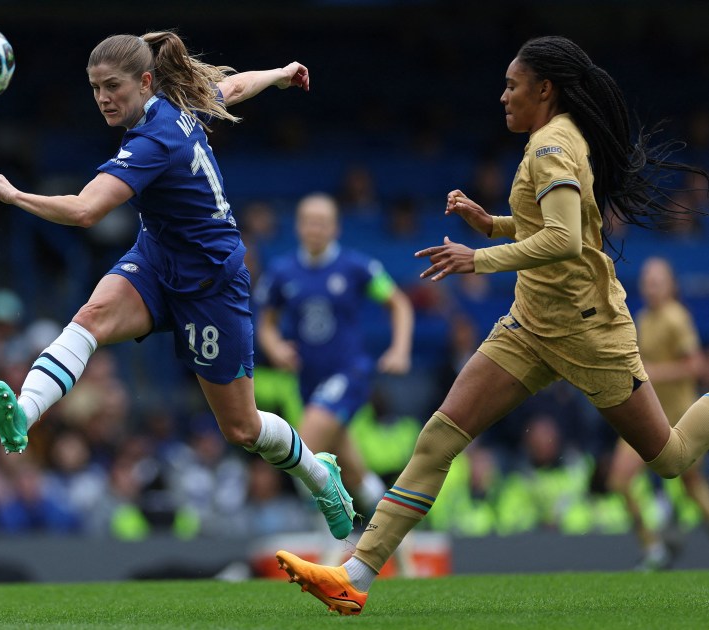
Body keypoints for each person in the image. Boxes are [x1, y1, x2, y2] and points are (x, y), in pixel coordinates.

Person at [275, 35, 709, 615]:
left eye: (512, 85)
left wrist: (474, 259)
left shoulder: (551, 146)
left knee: (672, 460)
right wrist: (493, 225)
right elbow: (555, 222)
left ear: (544, 89)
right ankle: (354, 574)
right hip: (531, 324)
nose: (502, 95)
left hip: (587, 332)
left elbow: (566, 240)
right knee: (439, 437)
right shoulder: (552, 141)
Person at [0, 31, 355, 540]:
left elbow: (87, 210)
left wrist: (15, 194)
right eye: (94, 88)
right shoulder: (179, 103)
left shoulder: (156, 140)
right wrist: (281, 74)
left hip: (211, 284)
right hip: (158, 259)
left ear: (146, 81)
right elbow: (232, 90)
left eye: (113, 86)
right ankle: (24, 412)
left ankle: (319, 474)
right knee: (90, 317)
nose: (103, 98)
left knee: (241, 429)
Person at [255, 192, 414, 519]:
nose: (315, 229)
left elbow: (398, 303)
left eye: (322, 223)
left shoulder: (356, 267)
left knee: (306, 444)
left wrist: (400, 349)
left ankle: (333, 518)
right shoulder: (283, 272)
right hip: (308, 381)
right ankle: (391, 525)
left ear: (335, 228)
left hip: (348, 373)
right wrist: (276, 347)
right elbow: (266, 323)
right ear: (298, 227)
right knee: (354, 472)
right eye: (309, 222)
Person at [607, 256, 709, 570]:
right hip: (648, 416)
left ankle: (661, 540)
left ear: (670, 286)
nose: (651, 287)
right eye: (647, 281)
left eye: (657, 281)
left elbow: (697, 366)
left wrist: (650, 372)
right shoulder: (643, 319)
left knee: (692, 489)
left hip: (680, 419)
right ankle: (653, 547)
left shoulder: (676, 318)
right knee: (619, 480)